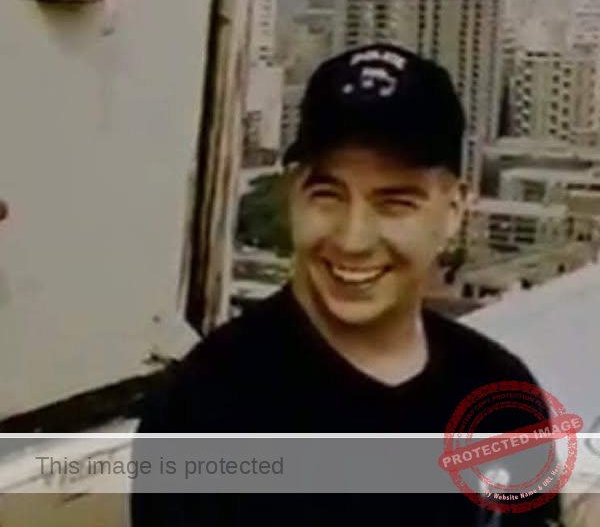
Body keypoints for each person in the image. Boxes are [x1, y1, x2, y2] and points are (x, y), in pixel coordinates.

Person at [130, 44, 562, 526]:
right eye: (328, 195)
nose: (353, 239)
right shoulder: (205, 407)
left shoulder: (497, 393)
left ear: (454, 211)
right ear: (294, 196)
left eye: (395, 203)